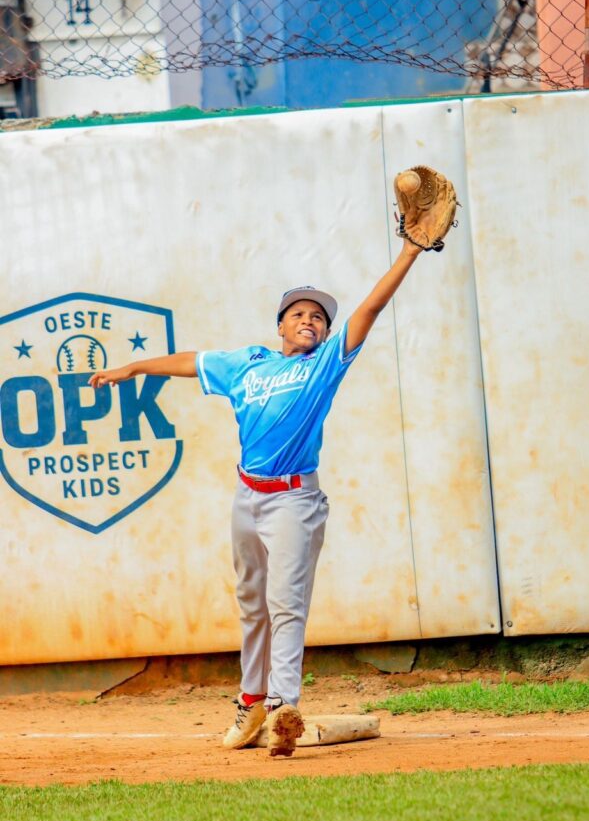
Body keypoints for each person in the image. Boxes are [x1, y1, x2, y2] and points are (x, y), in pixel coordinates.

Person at [89, 239, 423, 756]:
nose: (310, 321)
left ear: (328, 334)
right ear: (281, 326)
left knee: (285, 605)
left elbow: (371, 309)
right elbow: (192, 361)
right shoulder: (248, 364)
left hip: (294, 502)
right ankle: (250, 703)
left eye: (319, 317)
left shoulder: (324, 365)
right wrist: (134, 368)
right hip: (247, 497)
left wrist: (408, 254)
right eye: (299, 314)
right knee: (252, 605)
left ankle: (282, 707)